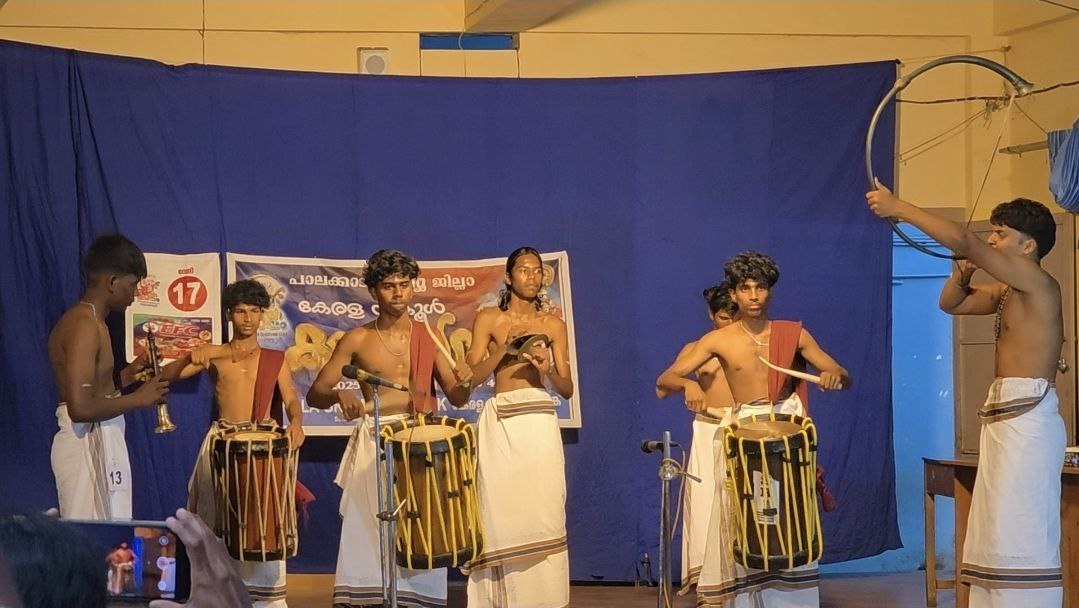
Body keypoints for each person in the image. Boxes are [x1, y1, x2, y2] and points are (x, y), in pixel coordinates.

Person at [868, 181, 1064, 607]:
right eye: (991, 234)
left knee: (1022, 529)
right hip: (1006, 422)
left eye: (1000, 235)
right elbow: (953, 304)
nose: (991, 241)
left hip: (1027, 422)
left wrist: (898, 206)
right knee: (997, 526)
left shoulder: (1036, 281)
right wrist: (962, 274)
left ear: (1028, 246)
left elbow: (962, 239)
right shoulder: (1010, 289)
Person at [658, 251, 851, 607]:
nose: (753, 295)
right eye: (745, 288)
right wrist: (689, 386)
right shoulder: (718, 340)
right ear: (733, 294)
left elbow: (840, 373)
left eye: (760, 287)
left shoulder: (792, 334)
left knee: (785, 521)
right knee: (745, 521)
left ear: (770, 292)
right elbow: (665, 379)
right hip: (742, 439)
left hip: (786, 439)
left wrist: (832, 377)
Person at [306, 249, 472, 608]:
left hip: (421, 448)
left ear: (413, 288)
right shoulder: (357, 339)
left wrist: (467, 379)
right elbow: (316, 393)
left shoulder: (428, 338)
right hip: (376, 442)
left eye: (403, 284)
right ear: (373, 291)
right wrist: (340, 394)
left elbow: (457, 397)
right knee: (369, 537)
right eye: (388, 286)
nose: (397, 292)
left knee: (422, 534)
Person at [163, 279, 308, 608]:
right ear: (229, 314)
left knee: (265, 517)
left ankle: (268, 599)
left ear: (262, 316)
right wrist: (192, 355)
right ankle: (220, 594)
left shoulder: (275, 358)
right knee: (217, 521)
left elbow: (290, 400)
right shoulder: (215, 356)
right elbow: (169, 377)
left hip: (264, 448)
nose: (247, 318)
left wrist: (297, 423)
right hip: (223, 445)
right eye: (240, 311)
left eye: (255, 311)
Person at [463, 246, 575, 608]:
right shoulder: (489, 319)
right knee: (498, 508)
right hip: (501, 421)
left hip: (539, 418)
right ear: (509, 277)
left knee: (542, 506)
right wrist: (506, 350)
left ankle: (545, 598)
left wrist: (545, 370)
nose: (532, 276)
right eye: (524, 270)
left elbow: (567, 387)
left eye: (537, 270)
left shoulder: (553, 324)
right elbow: (471, 377)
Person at [48, 234, 170, 520]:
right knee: (99, 542)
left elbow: (93, 393)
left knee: (111, 536)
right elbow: (80, 409)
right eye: (133, 284)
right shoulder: (85, 325)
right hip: (87, 441)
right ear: (112, 282)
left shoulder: (93, 321)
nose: (136, 293)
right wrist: (139, 399)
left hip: (96, 439)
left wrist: (126, 377)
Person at [654, 282, 738, 593]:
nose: (730, 324)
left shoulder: (753, 345)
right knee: (707, 507)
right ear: (711, 315)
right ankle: (710, 584)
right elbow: (662, 386)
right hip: (709, 430)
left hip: (745, 431)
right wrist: (689, 385)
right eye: (723, 318)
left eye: (735, 316)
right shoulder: (698, 348)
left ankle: (744, 580)